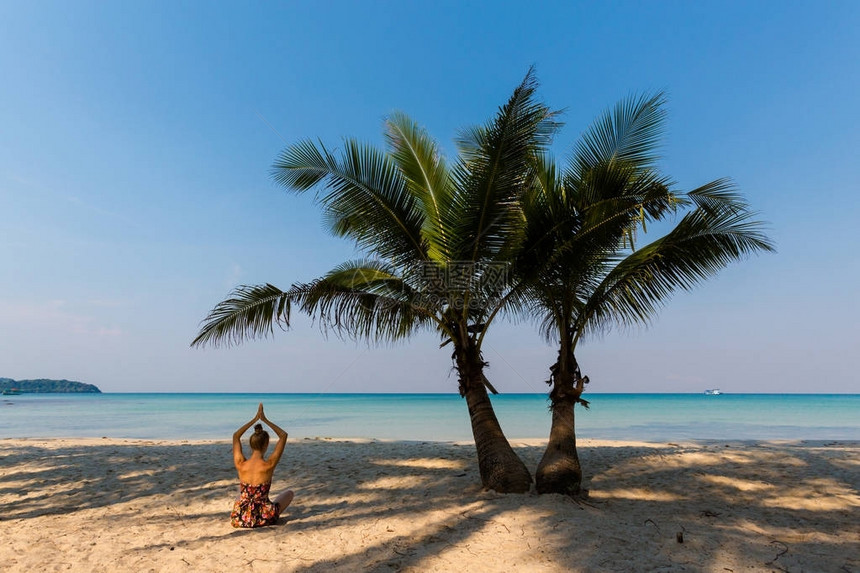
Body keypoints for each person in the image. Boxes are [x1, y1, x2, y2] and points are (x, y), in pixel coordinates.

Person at [230, 403, 294, 527]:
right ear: (266, 445)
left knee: (240, 494)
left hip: (240, 517)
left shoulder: (240, 464)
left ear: (251, 444)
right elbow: (283, 435)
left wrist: (254, 420)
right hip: (263, 517)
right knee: (289, 493)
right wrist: (265, 420)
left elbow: (236, 436)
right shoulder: (269, 465)